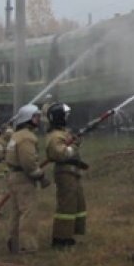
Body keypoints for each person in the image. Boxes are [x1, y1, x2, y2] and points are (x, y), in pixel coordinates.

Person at [5, 104, 49, 254]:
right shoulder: (27, 138)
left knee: (16, 212)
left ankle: (15, 243)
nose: (39, 119)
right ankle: (28, 246)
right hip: (24, 178)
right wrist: (40, 175)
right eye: (36, 116)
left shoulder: (16, 136)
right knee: (28, 213)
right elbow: (28, 163)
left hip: (13, 177)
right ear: (28, 118)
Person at [45, 102, 88, 248]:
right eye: (66, 115)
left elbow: (70, 148)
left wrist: (76, 141)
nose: (68, 118)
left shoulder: (62, 133)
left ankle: (70, 235)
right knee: (66, 207)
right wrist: (74, 146)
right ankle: (60, 239)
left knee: (77, 205)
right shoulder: (54, 136)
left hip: (72, 172)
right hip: (65, 174)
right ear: (60, 117)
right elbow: (60, 153)